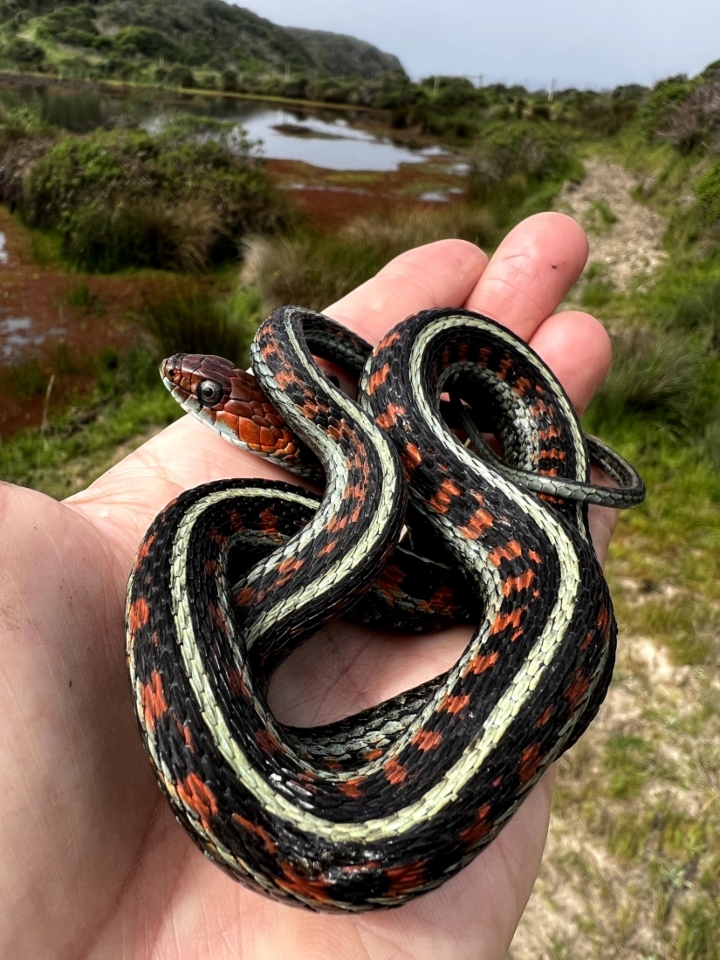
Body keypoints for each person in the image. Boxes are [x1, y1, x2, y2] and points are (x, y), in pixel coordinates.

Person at [0, 212, 617, 959]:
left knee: (549, 609)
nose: (187, 392)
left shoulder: (355, 478)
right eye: (207, 395)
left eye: (207, 399)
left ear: (272, 426)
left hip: (448, 537)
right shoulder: (237, 516)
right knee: (210, 522)